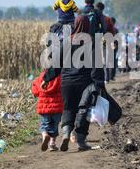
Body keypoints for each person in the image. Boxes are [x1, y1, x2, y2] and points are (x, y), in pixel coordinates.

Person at [43, 15, 105, 152]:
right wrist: (99, 83)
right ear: (87, 26)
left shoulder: (66, 42)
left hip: (67, 83)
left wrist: (46, 78)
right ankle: (81, 141)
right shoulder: (92, 43)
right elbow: (97, 66)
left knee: (68, 109)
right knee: (84, 110)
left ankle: (66, 135)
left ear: (75, 25)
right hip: (85, 84)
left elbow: (55, 64)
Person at [31, 71, 63, 152]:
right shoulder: (59, 77)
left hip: (44, 107)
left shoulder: (40, 78)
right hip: (57, 106)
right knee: (55, 125)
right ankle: (52, 144)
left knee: (45, 124)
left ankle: (45, 135)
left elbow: (35, 91)